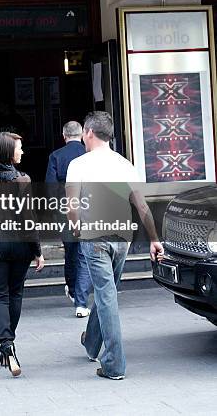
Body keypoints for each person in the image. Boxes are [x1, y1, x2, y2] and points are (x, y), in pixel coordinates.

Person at [66, 111, 164, 380]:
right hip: (122, 238)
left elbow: (72, 206)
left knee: (106, 296)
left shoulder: (79, 164)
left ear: (87, 132)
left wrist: (76, 227)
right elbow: (141, 206)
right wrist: (154, 239)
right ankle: (90, 343)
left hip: (95, 237)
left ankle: (114, 364)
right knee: (105, 292)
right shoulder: (125, 164)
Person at [0, 132, 44, 377]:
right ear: (8, 152)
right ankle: (8, 343)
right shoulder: (23, 180)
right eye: (19, 148)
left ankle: (6, 345)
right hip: (19, 245)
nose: (22, 152)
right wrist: (38, 250)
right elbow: (29, 218)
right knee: (15, 293)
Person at [45, 120, 92, 317]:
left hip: (65, 208)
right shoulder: (89, 154)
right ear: (82, 135)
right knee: (86, 250)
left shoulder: (56, 156)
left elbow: (50, 186)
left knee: (71, 249)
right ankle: (82, 294)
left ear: (64, 136)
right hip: (89, 207)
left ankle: (72, 288)